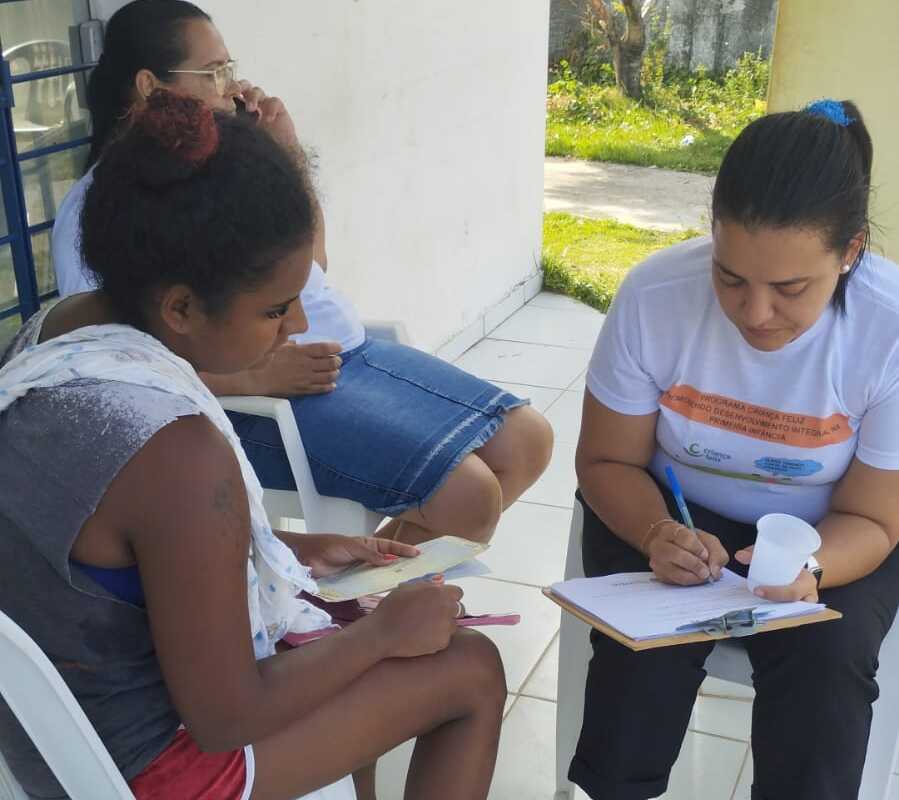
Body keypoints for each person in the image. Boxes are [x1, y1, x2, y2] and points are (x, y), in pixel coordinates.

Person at [0, 90, 505, 800]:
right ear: (179, 307)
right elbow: (224, 716)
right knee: (470, 669)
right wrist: (383, 637)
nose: (296, 324)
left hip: (53, 736)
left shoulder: (54, 337)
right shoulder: (172, 448)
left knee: (340, 634)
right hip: (155, 765)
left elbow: (117, 560)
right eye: (274, 308)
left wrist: (288, 550)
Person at [52, 0, 553, 546]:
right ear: (150, 87)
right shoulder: (103, 211)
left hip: (342, 357)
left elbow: (312, 263)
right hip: (256, 399)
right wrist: (253, 378)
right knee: (470, 494)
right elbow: (115, 361)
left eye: (230, 68)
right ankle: (362, 610)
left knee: (528, 439)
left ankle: (362, 595)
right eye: (213, 73)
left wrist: (284, 150)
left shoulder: (221, 175)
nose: (234, 86)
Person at [571, 99, 899, 800]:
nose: (753, 314)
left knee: (827, 665)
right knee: (642, 661)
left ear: (850, 252)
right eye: (729, 277)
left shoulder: (888, 328)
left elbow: (873, 521)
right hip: (666, 512)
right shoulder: (655, 295)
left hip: (830, 533)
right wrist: (657, 532)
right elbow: (605, 462)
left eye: (789, 288)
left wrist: (809, 568)